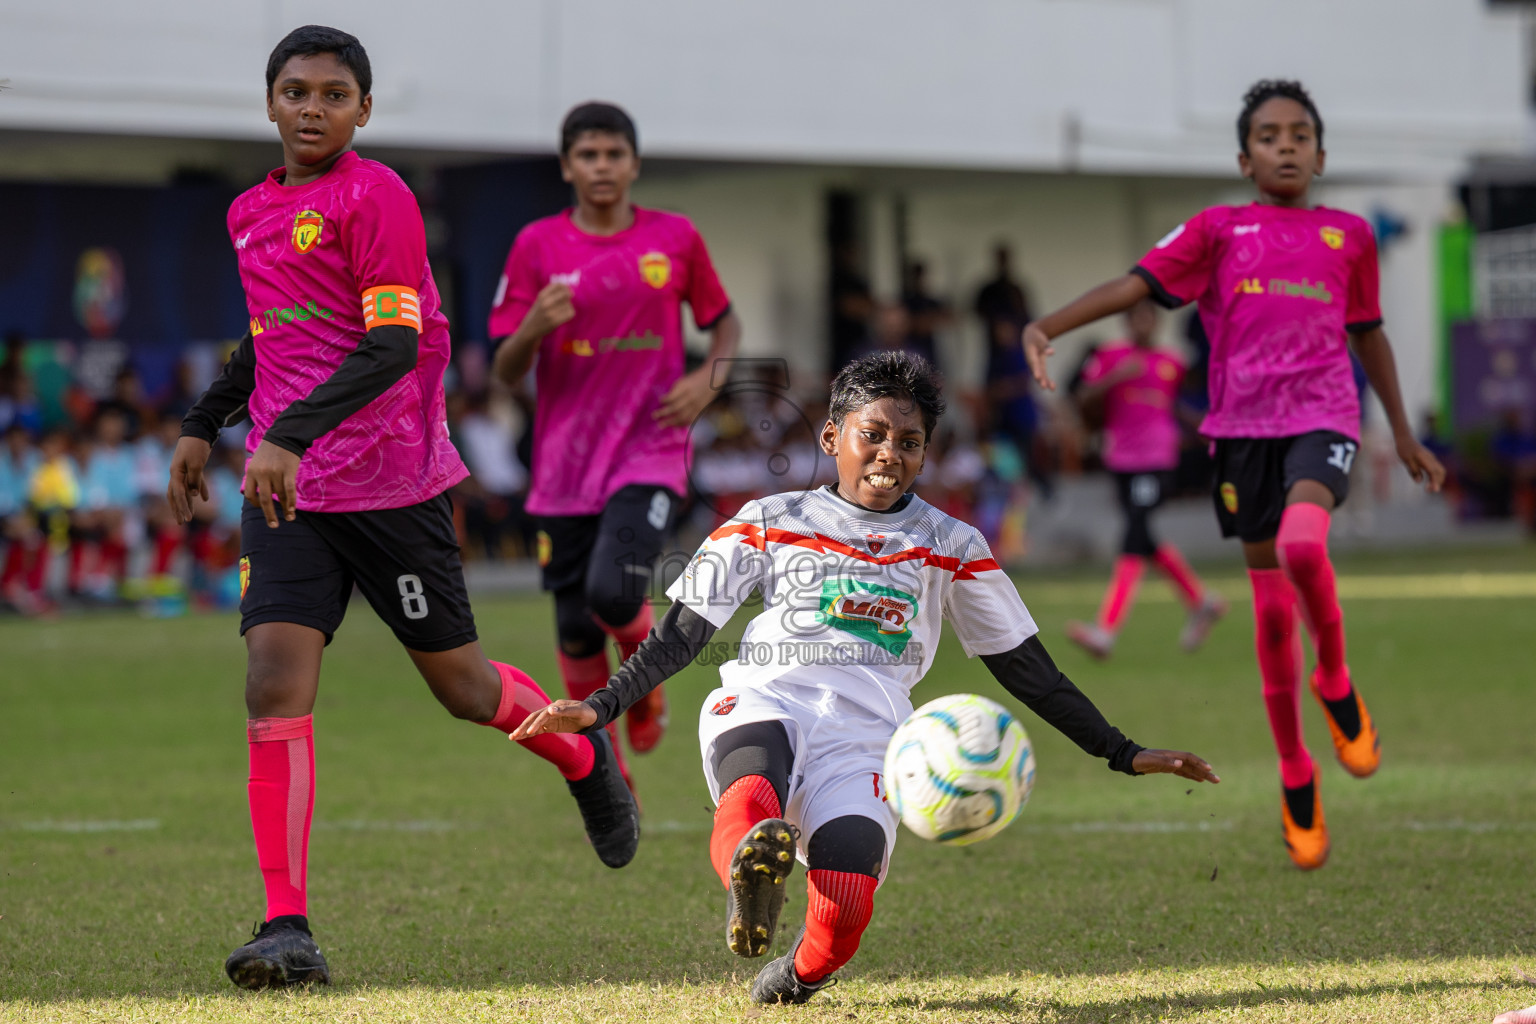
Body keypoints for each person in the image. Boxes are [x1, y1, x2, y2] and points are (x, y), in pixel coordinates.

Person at [513, 351, 1219, 1004]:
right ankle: (748, 881)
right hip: (765, 698)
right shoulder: (767, 519)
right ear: (831, 439)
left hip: (871, 740)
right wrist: (602, 706)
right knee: (753, 791)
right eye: (872, 435)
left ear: (924, 454)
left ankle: (795, 974)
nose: (888, 455)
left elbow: (1029, 670)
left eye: (908, 443)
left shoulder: (952, 547)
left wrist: (1122, 752)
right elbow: (681, 635)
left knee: (847, 897)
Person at [165, 26, 638, 991]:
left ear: (363, 111)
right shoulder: (250, 212)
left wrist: (289, 435)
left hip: (392, 486)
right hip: (286, 490)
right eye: (294, 91)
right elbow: (273, 340)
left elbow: (390, 345)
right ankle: (287, 926)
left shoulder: (375, 196)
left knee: (464, 690)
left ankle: (585, 755)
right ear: (269, 104)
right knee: (271, 683)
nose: (311, 107)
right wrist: (204, 421)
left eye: (333, 94)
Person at [1021, 79, 1446, 871]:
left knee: (1304, 547)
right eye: (1269, 135)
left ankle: (1337, 680)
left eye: (1299, 134)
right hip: (1240, 438)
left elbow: (1371, 334)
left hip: (1322, 421)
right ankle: (1295, 772)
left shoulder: (1350, 235)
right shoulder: (1219, 229)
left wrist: (1404, 432)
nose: (1285, 145)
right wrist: (1047, 324)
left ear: (1322, 155)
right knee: (1271, 617)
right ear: (1243, 156)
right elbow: (1136, 285)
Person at [488, 101, 741, 785]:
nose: (601, 167)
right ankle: (610, 767)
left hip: (649, 450)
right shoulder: (537, 246)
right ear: (568, 166)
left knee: (610, 591)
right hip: (562, 468)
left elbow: (725, 324)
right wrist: (534, 327)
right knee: (574, 628)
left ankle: (645, 679)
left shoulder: (675, 238)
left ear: (634, 163)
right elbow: (504, 372)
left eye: (613, 155)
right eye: (588, 156)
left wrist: (708, 384)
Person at [1065, 298, 1225, 658]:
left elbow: (1172, 405)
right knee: (1145, 537)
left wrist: (1201, 428)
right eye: (1136, 319)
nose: (1143, 325)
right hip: (1121, 458)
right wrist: (1115, 378)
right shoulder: (1111, 357)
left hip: (1157, 459)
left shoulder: (1172, 364)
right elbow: (1084, 397)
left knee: (1133, 535)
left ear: (1155, 323)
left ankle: (1105, 630)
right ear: (1127, 323)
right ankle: (1203, 602)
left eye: (1148, 318)